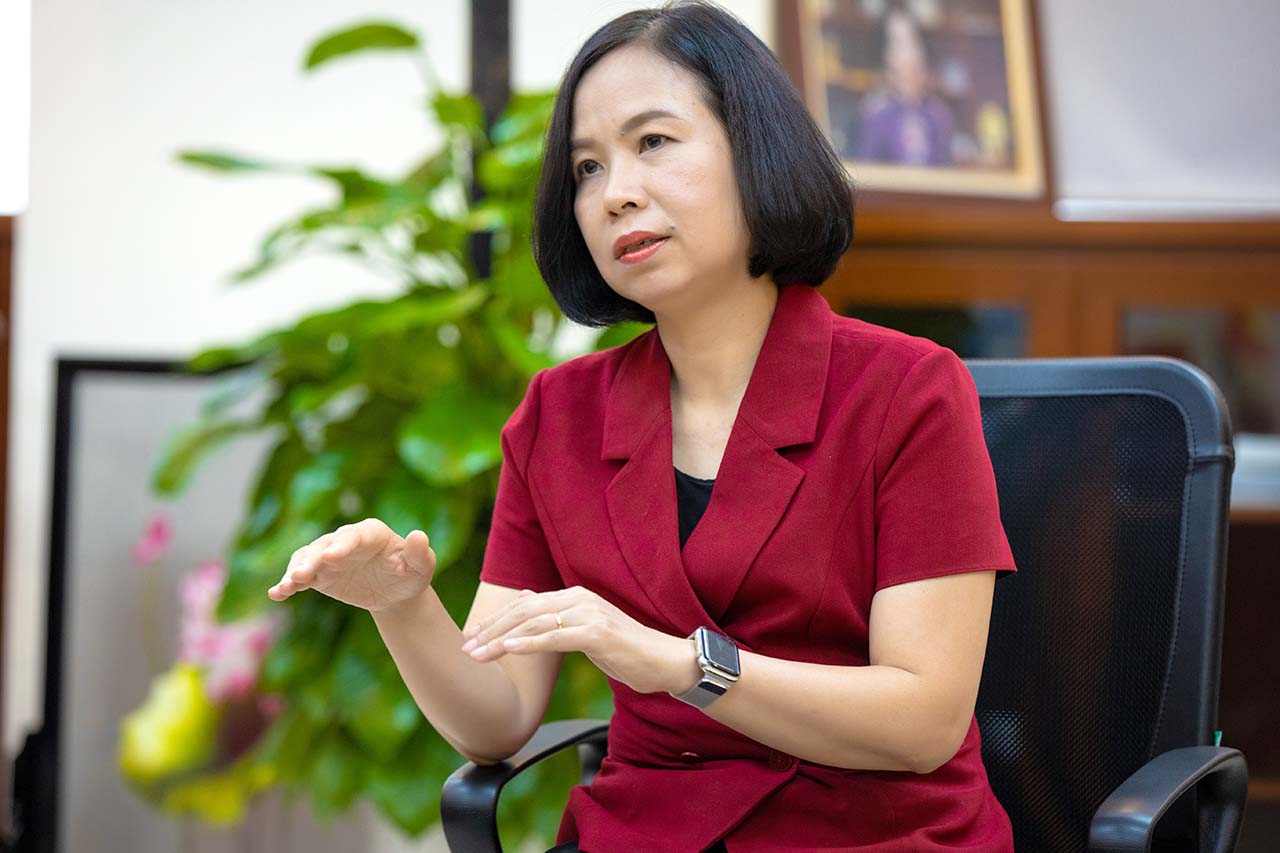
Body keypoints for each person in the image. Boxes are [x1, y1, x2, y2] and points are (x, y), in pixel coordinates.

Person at [267, 1, 1018, 850]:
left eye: (653, 141)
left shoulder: (907, 389)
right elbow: (498, 718)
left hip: (869, 835)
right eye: (587, 167)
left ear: (754, 149)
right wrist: (402, 606)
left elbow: (923, 720)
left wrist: (684, 665)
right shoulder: (558, 415)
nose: (615, 193)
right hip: (645, 831)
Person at [858, 2, 956, 166]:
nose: (910, 54)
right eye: (899, 43)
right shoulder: (876, 115)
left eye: (913, 41)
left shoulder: (938, 115)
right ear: (885, 55)